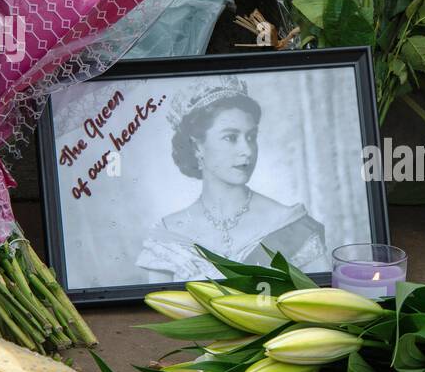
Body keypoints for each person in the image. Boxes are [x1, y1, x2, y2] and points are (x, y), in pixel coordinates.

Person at [136, 75, 328, 280]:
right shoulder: (168, 236)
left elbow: (323, 303)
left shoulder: (290, 225)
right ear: (197, 146)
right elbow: (157, 309)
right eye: (230, 137)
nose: (247, 150)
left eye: (251, 137)